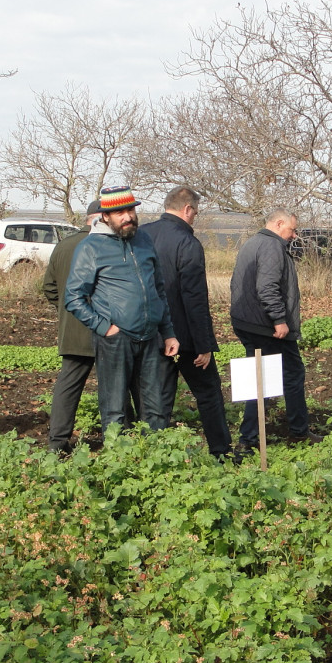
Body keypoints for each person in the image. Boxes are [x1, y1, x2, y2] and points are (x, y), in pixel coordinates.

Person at [65, 185, 179, 434]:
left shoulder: (144, 241)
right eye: (120, 213)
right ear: (106, 216)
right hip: (116, 339)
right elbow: (73, 297)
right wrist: (105, 328)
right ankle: (119, 460)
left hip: (150, 338)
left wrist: (168, 332)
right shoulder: (90, 248)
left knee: (155, 408)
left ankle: (155, 460)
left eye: (130, 210)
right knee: (115, 408)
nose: (128, 217)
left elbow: (158, 289)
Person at [140, 187, 234, 459]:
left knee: (158, 398)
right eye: (195, 212)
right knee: (208, 393)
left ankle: (152, 455)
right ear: (187, 210)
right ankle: (220, 451)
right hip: (185, 337)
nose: (194, 217)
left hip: (150, 332)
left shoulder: (142, 235)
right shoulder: (188, 243)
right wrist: (204, 345)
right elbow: (194, 298)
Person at [230, 209, 322, 449]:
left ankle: (249, 439)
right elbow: (267, 286)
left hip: (248, 323)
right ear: (279, 223)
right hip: (266, 326)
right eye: (292, 229)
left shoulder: (252, 243)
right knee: (288, 374)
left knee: (259, 378)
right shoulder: (272, 246)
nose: (293, 235)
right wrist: (279, 319)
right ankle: (292, 433)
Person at [43, 200, 103, 453]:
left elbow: (49, 288)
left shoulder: (63, 245)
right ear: (100, 218)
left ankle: (57, 442)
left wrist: (67, 312)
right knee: (114, 387)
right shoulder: (105, 245)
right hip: (106, 328)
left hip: (72, 329)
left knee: (68, 387)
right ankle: (123, 438)